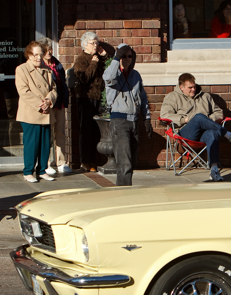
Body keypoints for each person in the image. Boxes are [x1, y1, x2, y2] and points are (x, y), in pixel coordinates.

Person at [160, 73, 231, 182]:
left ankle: (214, 170)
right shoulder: (172, 97)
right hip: (185, 133)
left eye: (194, 87)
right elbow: (164, 115)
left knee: (212, 133)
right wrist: (184, 119)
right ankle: (228, 135)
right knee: (198, 117)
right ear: (181, 88)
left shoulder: (205, 97)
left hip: (203, 133)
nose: (193, 90)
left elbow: (218, 112)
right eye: (190, 88)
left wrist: (209, 120)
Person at [103, 44, 152, 186]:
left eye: (130, 56)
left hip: (134, 121)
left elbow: (142, 98)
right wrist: (116, 57)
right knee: (125, 163)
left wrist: (147, 118)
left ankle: (124, 188)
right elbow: (108, 78)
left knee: (132, 161)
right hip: (119, 121)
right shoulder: (113, 73)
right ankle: (123, 194)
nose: (127, 59)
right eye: (124, 56)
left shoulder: (135, 75)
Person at [15, 41, 58, 183]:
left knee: (46, 144)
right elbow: (23, 91)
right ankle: (28, 171)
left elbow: (54, 89)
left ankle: (42, 170)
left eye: (41, 54)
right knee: (32, 144)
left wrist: (49, 100)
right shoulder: (22, 69)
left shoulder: (48, 69)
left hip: (46, 111)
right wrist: (41, 104)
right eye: (35, 55)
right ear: (28, 55)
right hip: (31, 112)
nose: (38, 58)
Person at [74, 31, 108, 172]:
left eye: (96, 42)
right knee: (86, 130)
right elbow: (84, 78)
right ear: (84, 45)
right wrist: (94, 63)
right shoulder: (82, 59)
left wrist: (105, 56)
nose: (95, 45)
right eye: (92, 43)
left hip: (99, 99)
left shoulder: (98, 57)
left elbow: (110, 69)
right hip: (86, 98)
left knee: (97, 131)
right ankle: (86, 161)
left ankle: (96, 159)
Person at [39, 39, 72, 174]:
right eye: (45, 50)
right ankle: (46, 163)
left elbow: (62, 83)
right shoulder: (40, 66)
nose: (49, 52)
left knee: (60, 132)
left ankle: (61, 162)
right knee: (47, 134)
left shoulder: (57, 64)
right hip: (47, 103)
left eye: (50, 49)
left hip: (59, 103)